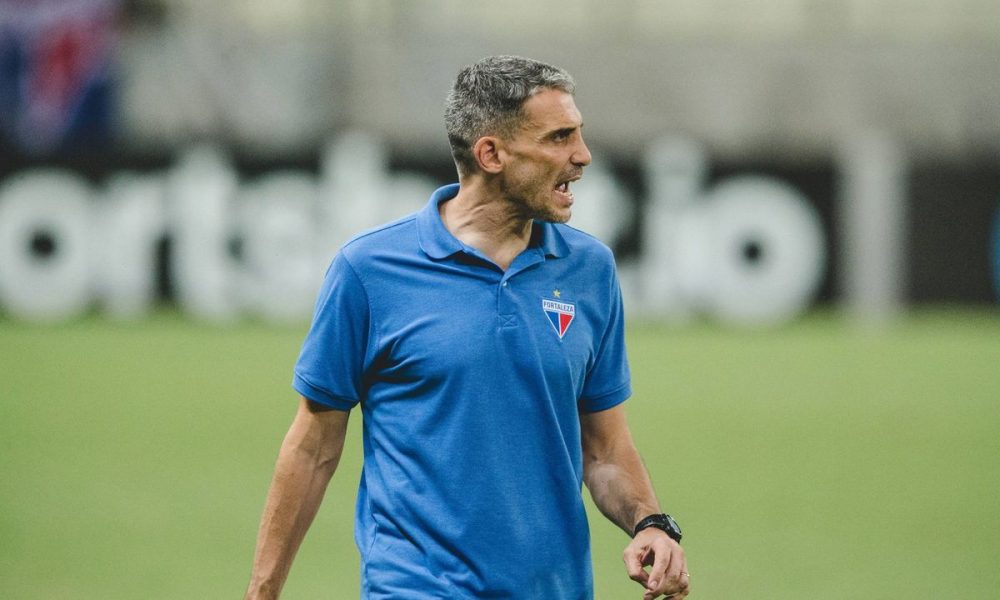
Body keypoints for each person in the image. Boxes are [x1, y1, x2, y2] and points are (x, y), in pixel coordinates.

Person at [245, 55, 689, 600]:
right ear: (491, 154)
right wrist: (262, 591)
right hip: (415, 586)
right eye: (559, 137)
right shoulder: (369, 271)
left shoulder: (589, 270)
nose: (582, 155)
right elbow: (313, 447)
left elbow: (604, 449)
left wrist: (651, 523)